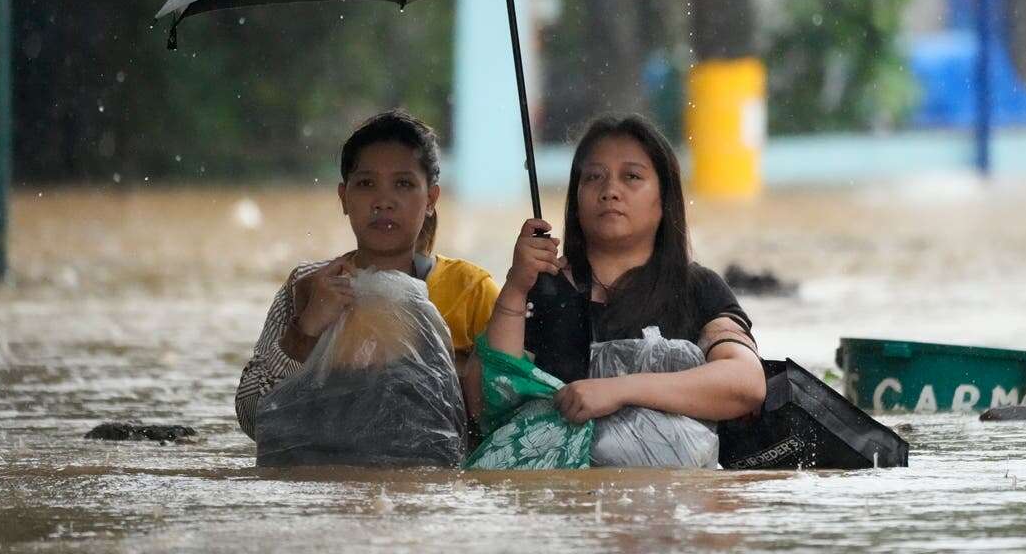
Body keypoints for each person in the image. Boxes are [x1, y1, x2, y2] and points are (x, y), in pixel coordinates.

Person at [478, 114, 766, 426]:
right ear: (576, 200)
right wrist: (516, 287)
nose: (610, 190)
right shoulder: (541, 288)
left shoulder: (696, 287)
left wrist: (620, 390)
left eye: (631, 177)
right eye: (593, 177)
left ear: (664, 198)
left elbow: (746, 382)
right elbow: (487, 401)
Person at [235, 110, 500, 441]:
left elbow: (507, 416)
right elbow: (252, 418)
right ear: (344, 198)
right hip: (330, 483)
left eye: (403, 184)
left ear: (430, 199)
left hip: (430, 487)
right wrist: (305, 331)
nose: (383, 201)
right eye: (366, 184)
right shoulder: (309, 286)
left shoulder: (471, 291)